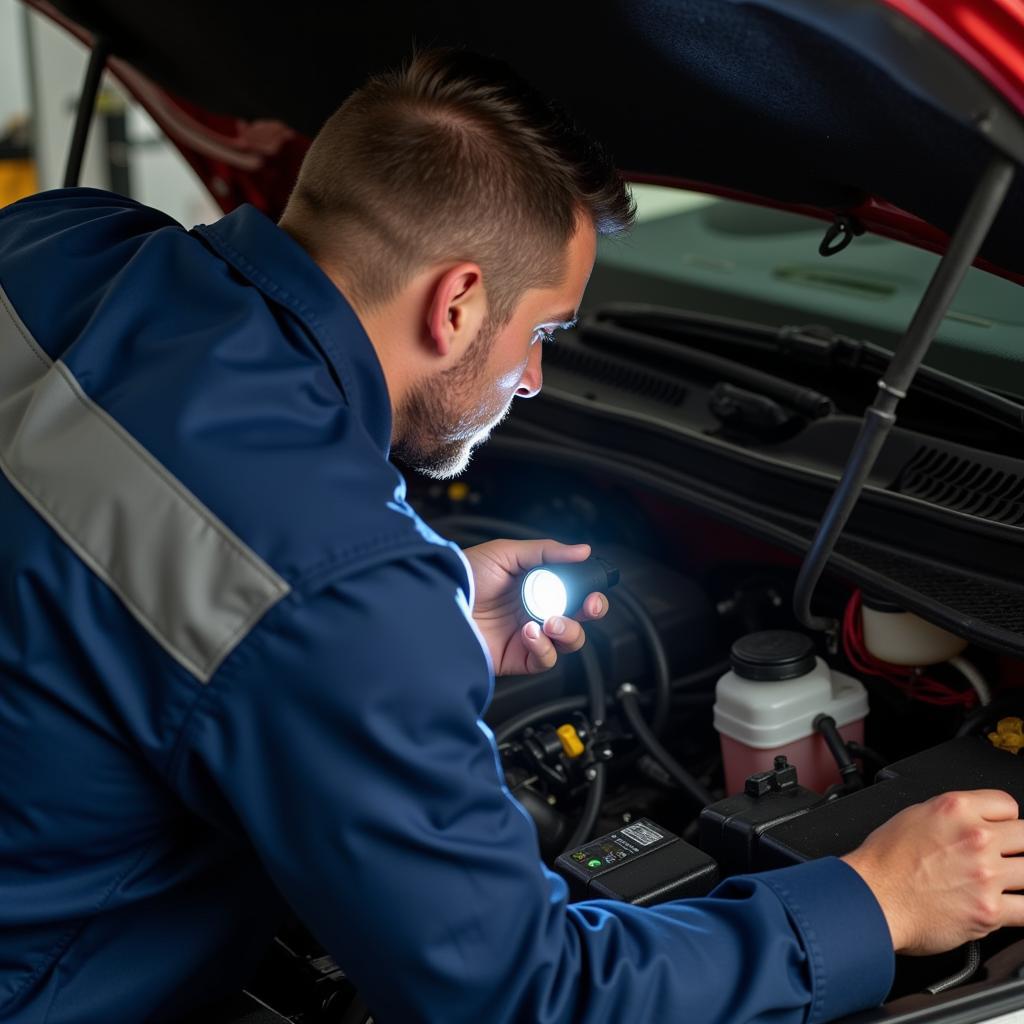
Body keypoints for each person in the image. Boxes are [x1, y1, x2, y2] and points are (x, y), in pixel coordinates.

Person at [0, 48, 1021, 1024]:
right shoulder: (333, 585)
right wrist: (876, 901)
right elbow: (520, 999)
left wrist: (409, 621)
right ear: (455, 301)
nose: (532, 380)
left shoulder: (60, 241)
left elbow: (124, 595)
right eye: (541, 332)